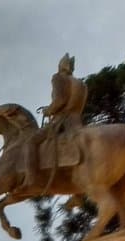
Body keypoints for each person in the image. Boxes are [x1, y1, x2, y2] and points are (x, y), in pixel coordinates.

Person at [24, 53, 88, 188]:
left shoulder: (58, 78)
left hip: (61, 122)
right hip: (76, 122)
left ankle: (32, 178)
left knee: (31, 142)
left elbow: (60, 100)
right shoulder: (81, 84)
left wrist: (48, 110)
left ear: (60, 66)